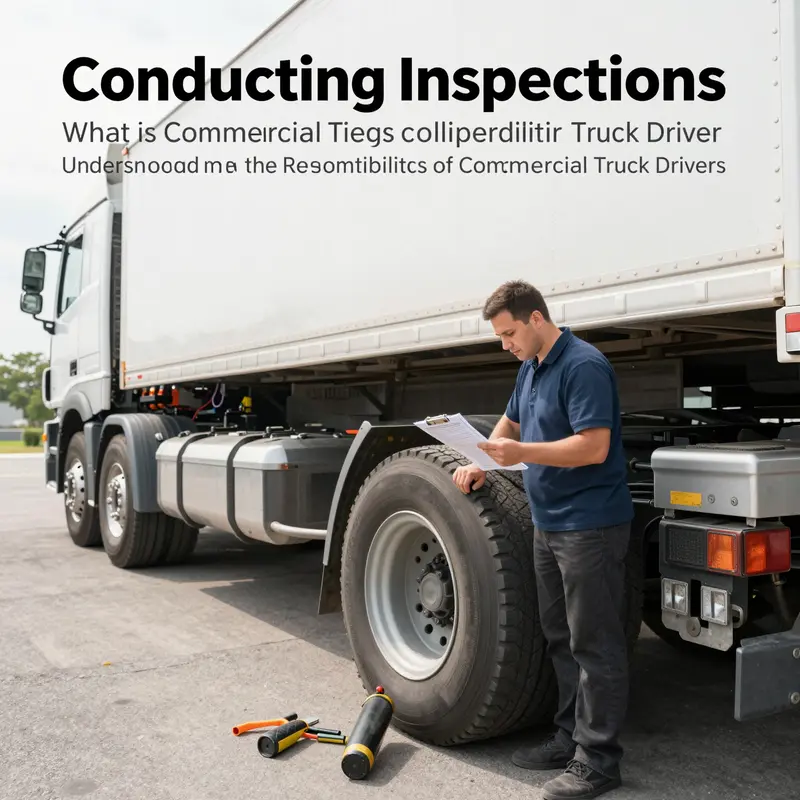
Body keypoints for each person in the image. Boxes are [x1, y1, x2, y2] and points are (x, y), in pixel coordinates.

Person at [453, 280, 634, 800]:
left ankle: (598, 762)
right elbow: (507, 427)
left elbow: (594, 447)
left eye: (509, 332)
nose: (504, 343)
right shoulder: (529, 368)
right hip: (550, 523)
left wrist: (522, 454)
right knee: (559, 635)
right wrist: (481, 461)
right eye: (499, 336)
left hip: (589, 526)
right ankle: (571, 737)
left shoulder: (583, 366)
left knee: (593, 643)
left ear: (536, 319)